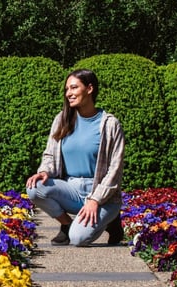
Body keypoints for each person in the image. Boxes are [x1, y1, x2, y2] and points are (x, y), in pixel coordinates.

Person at [25, 68, 125, 246]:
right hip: (71, 190)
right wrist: (44, 171)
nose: (68, 93)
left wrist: (95, 200)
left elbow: (115, 170)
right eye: (67, 89)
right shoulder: (62, 119)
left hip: (101, 195)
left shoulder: (109, 124)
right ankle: (66, 224)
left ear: (89, 88)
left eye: (73, 88)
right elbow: (50, 154)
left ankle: (112, 220)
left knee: (79, 239)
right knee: (35, 187)